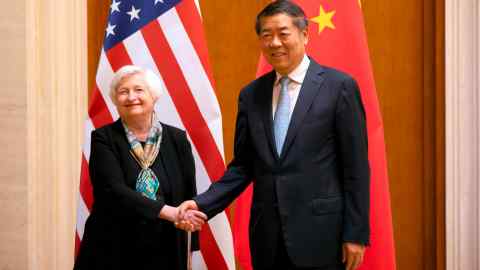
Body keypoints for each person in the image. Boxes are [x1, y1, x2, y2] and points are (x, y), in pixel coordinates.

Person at [177, 1, 370, 270]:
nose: (275, 43)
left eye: (283, 33)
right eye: (266, 36)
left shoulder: (339, 87)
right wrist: (201, 204)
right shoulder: (251, 95)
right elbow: (244, 166)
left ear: (304, 34)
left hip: (322, 234)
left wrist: (355, 234)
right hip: (267, 236)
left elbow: (356, 168)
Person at [74, 65, 206, 270]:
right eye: (123, 92)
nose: (130, 97)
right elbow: (112, 191)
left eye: (138, 90)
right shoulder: (103, 138)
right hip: (113, 247)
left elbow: (188, 192)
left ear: (154, 96)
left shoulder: (177, 138)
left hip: (168, 246)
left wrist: (190, 244)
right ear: (116, 100)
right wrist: (167, 212)